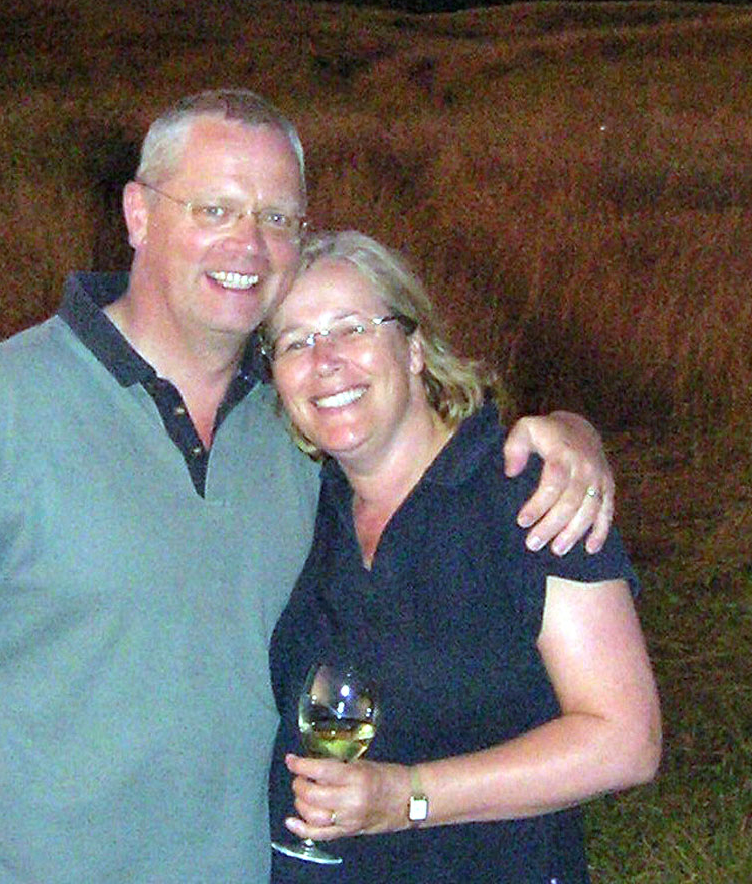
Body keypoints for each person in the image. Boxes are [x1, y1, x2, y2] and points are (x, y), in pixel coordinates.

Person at [0, 90, 616, 884]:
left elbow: (428, 452)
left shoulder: (300, 423)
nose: (247, 244)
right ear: (139, 214)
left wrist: (570, 435)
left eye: (276, 217)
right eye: (213, 209)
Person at [265, 231, 661, 884]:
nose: (325, 361)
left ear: (414, 349)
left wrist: (408, 797)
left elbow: (624, 741)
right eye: (294, 342)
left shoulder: (527, 493)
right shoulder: (304, 501)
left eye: (351, 328)